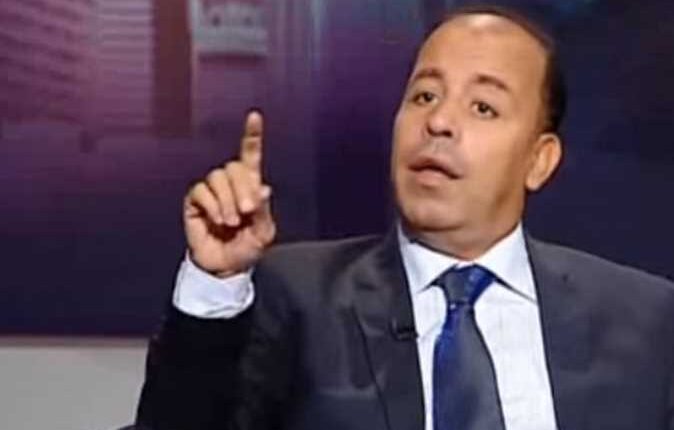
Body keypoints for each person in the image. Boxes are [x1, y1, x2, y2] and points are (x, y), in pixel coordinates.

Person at [135, 5, 674, 430]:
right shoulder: (296, 299)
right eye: (424, 95)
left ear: (539, 160)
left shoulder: (648, 321)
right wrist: (216, 283)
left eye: (482, 107)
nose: (438, 121)